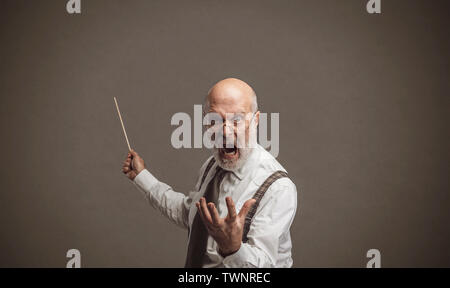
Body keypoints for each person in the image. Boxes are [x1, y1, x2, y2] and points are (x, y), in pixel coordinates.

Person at [122, 78, 297, 267]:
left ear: (255, 121)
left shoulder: (278, 188)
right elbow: (192, 214)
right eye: (214, 120)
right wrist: (141, 176)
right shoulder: (212, 165)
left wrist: (233, 249)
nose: (225, 132)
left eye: (236, 120)